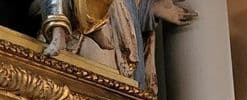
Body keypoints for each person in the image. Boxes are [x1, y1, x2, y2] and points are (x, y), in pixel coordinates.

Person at [33, 0, 196, 94]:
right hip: (81, 36)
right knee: (90, 94)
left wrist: (152, 9)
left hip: (119, 37)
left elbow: (131, 9)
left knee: (116, 98)